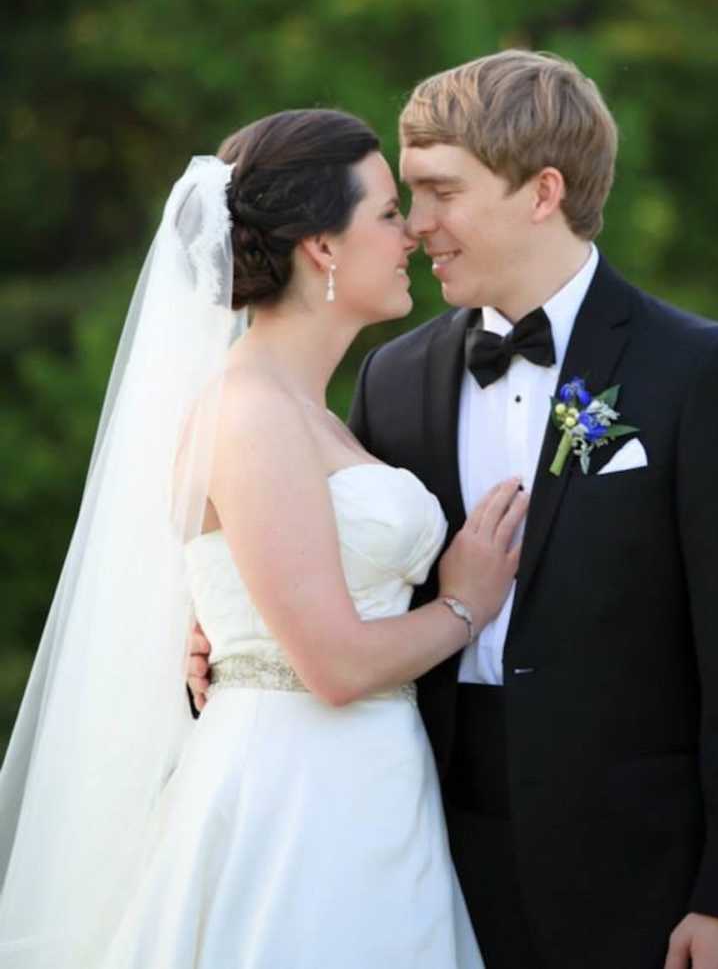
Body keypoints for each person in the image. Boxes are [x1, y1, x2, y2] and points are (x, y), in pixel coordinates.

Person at [0, 109, 530, 968]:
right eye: (389, 213)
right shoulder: (249, 413)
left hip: (372, 787)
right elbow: (334, 665)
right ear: (322, 246)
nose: (412, 236)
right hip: (295, 803)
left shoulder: (312, 413)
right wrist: (466, 603)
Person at [341, 51, 718, 968]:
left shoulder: (699, 372)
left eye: (441, 193)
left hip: (634, 875)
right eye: (409, 196)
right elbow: (350, 582)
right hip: (420, 857)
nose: (414, 227)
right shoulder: (393, 378)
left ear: (543, 191)